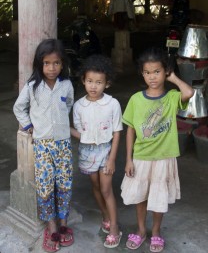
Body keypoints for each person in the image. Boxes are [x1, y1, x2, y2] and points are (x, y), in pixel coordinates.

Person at [121, 47, 194, 252]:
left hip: (164, 157)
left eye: (157, 72)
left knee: (159, 197)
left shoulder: (172, 97)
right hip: (141, 157)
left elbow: (189, 92)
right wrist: (128, 159)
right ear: (141, 74)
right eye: (147, 72)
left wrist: (174, 78)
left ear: (166, 72)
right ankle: (141, 229)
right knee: (141, 196)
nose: (152, 77)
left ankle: (155, 232)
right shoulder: (136, 99)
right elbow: (130, 130)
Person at [13, 39, 74, 253]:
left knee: (64, 183)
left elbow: (68, 105)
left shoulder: (66, 85)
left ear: (62, 64)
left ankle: (64, 224)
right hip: (43, 146)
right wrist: (29, 125)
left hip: (63, 145)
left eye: (56, 63)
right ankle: (52, 227)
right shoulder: (32, 87)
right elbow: (19, 108)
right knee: (46, 186)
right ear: (39, 64)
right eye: (46, 63)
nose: (51, 68)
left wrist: (62, 126)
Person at [71, 54, 123, 248]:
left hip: (105, 151)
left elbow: (117, 132)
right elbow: (80, 131)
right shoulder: (78, 106)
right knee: (95, 187)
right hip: (86, 152)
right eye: (90, 81)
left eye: (99, 82)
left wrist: (111, 159)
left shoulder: (112, 104)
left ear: (106, 83)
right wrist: (66, 130)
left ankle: (114, 227)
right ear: (83, 80)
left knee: (106, 189)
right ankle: (105, 216)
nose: (93, 86)